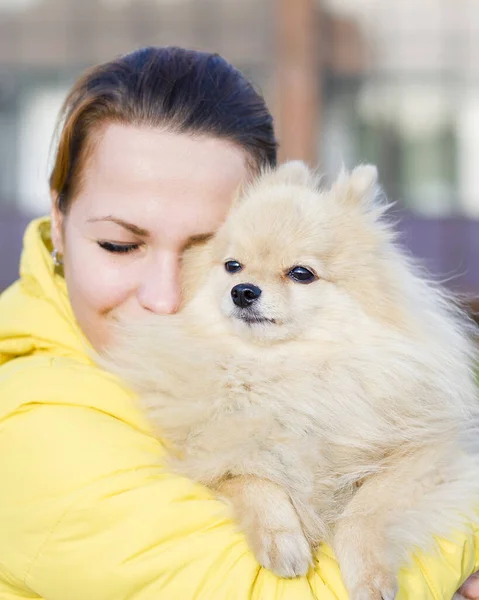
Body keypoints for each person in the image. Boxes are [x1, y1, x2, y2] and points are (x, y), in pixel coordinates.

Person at [0, 45, 477, 600]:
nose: (163, 295)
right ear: (57, 225)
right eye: (120, 244)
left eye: (203, 250)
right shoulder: (32, 430)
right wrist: (460, 539)